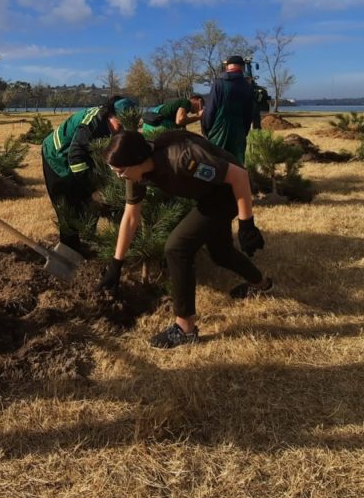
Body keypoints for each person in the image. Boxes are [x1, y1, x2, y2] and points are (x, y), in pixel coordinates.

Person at [97, 130, 273, 349]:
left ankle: (185, 329)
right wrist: (116, 263)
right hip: (207, 195)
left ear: (136, 161)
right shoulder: (135, 171)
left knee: (177, 248)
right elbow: (131, 216)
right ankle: (261, 284)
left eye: (120, 171)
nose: (118, 176)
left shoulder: (181, 158)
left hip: (226, 193)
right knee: (220, 252)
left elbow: (239, 176)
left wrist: (246, 223)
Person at [41, 95, 138, 255]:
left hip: (80, 158)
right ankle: (69, 251)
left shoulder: (112, 126)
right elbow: (76, 157)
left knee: (89, 204)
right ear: (110, 115)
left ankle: (86, 241)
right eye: (120, 125)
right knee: (67, 205)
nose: (122, 131)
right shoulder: (92, 124)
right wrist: (93, 189)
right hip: (57, 156)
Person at [200, 55, 255, 163]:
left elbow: (210, 110)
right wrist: (244, 131)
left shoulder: (219, 83)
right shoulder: (247, 86)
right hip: (239, 132)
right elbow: (249, 114)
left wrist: (206, 129)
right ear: (242, 68)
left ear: (227, 67)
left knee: (215, 164)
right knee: (237, 164)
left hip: (218, 131)